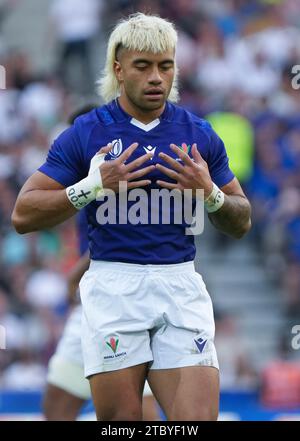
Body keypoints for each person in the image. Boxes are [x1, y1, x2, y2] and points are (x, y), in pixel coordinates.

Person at [12, 13, 251, 421]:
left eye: (166, 65)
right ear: (119, 70)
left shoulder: (199, 134)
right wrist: (93, 185)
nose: (157, 77)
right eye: (143, 66)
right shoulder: (86, 132)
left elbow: (241, 219)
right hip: (113, 287)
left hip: (180, 282)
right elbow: (23, 213)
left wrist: (209, 193)